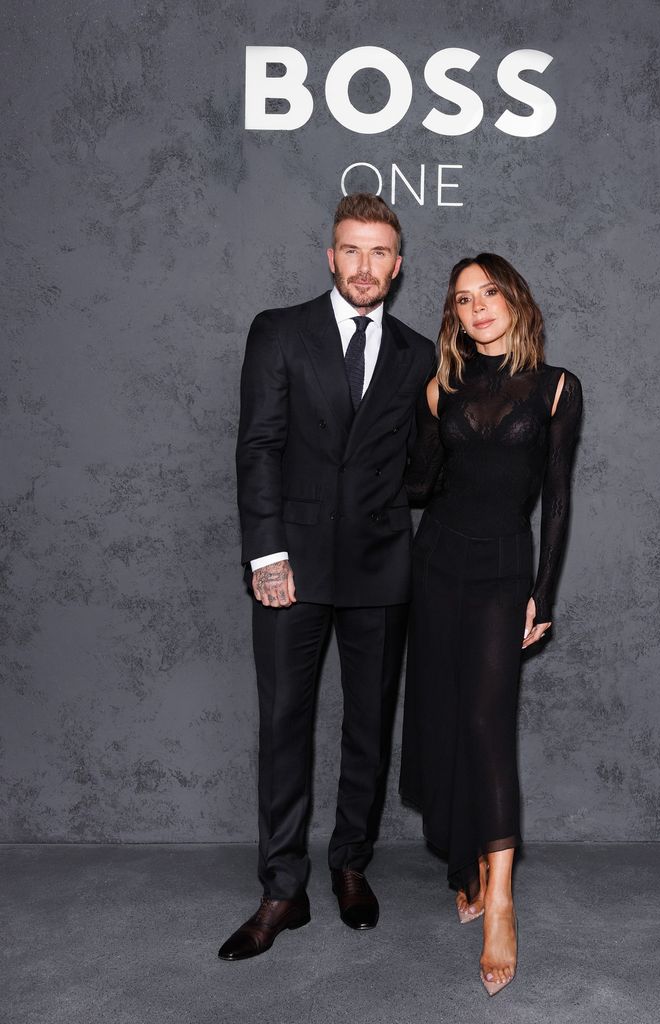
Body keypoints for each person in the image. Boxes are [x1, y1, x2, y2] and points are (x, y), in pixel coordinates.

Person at [218, 194, 433, 961]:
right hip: (292, 568)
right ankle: (282, 889)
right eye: (351, 249)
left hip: (381, 565)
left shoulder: (417, 354)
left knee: (368, 730)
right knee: (284, 727)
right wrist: (266, 554)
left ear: (397, 266)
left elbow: (422, 469)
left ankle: (349, 865)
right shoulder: (279, 331)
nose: (364, 266)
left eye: (379, 252)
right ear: (330, 256)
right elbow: (258, 446)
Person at [400, 253, 582, 995]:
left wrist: (544, 593)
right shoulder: (438, 387)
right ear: (454, 314)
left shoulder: (557, 386)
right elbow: (418, 483)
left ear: (515, 301)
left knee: (486, 720)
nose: (477, 307)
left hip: (505, 569)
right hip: (436, 562)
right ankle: (470, 859)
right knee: (445, 717)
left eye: (490, 293)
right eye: (463, 298)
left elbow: (558, 498)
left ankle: (501, 900)